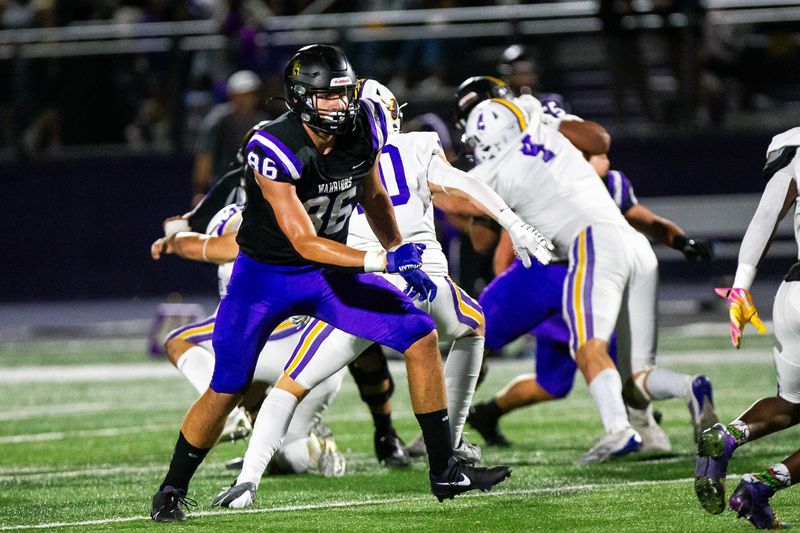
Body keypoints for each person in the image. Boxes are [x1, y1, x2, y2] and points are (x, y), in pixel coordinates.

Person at [150, 44, 512, 522]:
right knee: (228, 386)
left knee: (420, 335)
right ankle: (171, 489)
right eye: (328, 95)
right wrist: (382, 259)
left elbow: (374, 194)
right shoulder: (272, 146)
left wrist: (401, 250)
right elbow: (303, 241)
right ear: (301, 97)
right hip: (265, 278)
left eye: (345, 92)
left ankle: (444, 469)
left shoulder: (365, 125)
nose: (341, 104)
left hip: (328, 275)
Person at [210, 79, 554, 509]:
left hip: (360, 281)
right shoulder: (415, 144)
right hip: (419, 275)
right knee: (472, 325)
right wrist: (514, 224)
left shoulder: (327, 156)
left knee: (292, 383)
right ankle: (449, 448)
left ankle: (248, 479)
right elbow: (462, 184)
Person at [452, 76, 716, 453]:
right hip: (572, 262)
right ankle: (683, 392)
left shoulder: (539, 135)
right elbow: (495, 250)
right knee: (591, 369)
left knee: (591, 353)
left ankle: (630, 428)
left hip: (588, 254)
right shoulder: (519, 156)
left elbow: (599, 146)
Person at [152, 203, 347, 478]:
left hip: (273, 340)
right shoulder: (300, 225)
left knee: (178, 341)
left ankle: (231, 416)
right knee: (289, 448)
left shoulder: (252, 234)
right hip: (318, 355)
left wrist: (172, 239)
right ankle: (313, 450)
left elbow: (198, 246)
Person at [695, 127, 800, 530]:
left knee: (791, 403)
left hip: (792, 293)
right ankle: (759, 486)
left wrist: (740, 287)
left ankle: (729, 436)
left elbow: (766, 215)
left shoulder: (794, 149)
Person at [192, 70, 270, 204]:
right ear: (231, 96)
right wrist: (199, 192)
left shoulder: (264, 124)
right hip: (222, 190)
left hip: (256, 193)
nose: (247, 100)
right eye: (242, 95)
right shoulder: (216, 121)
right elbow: (205, 157)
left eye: (251, 94)